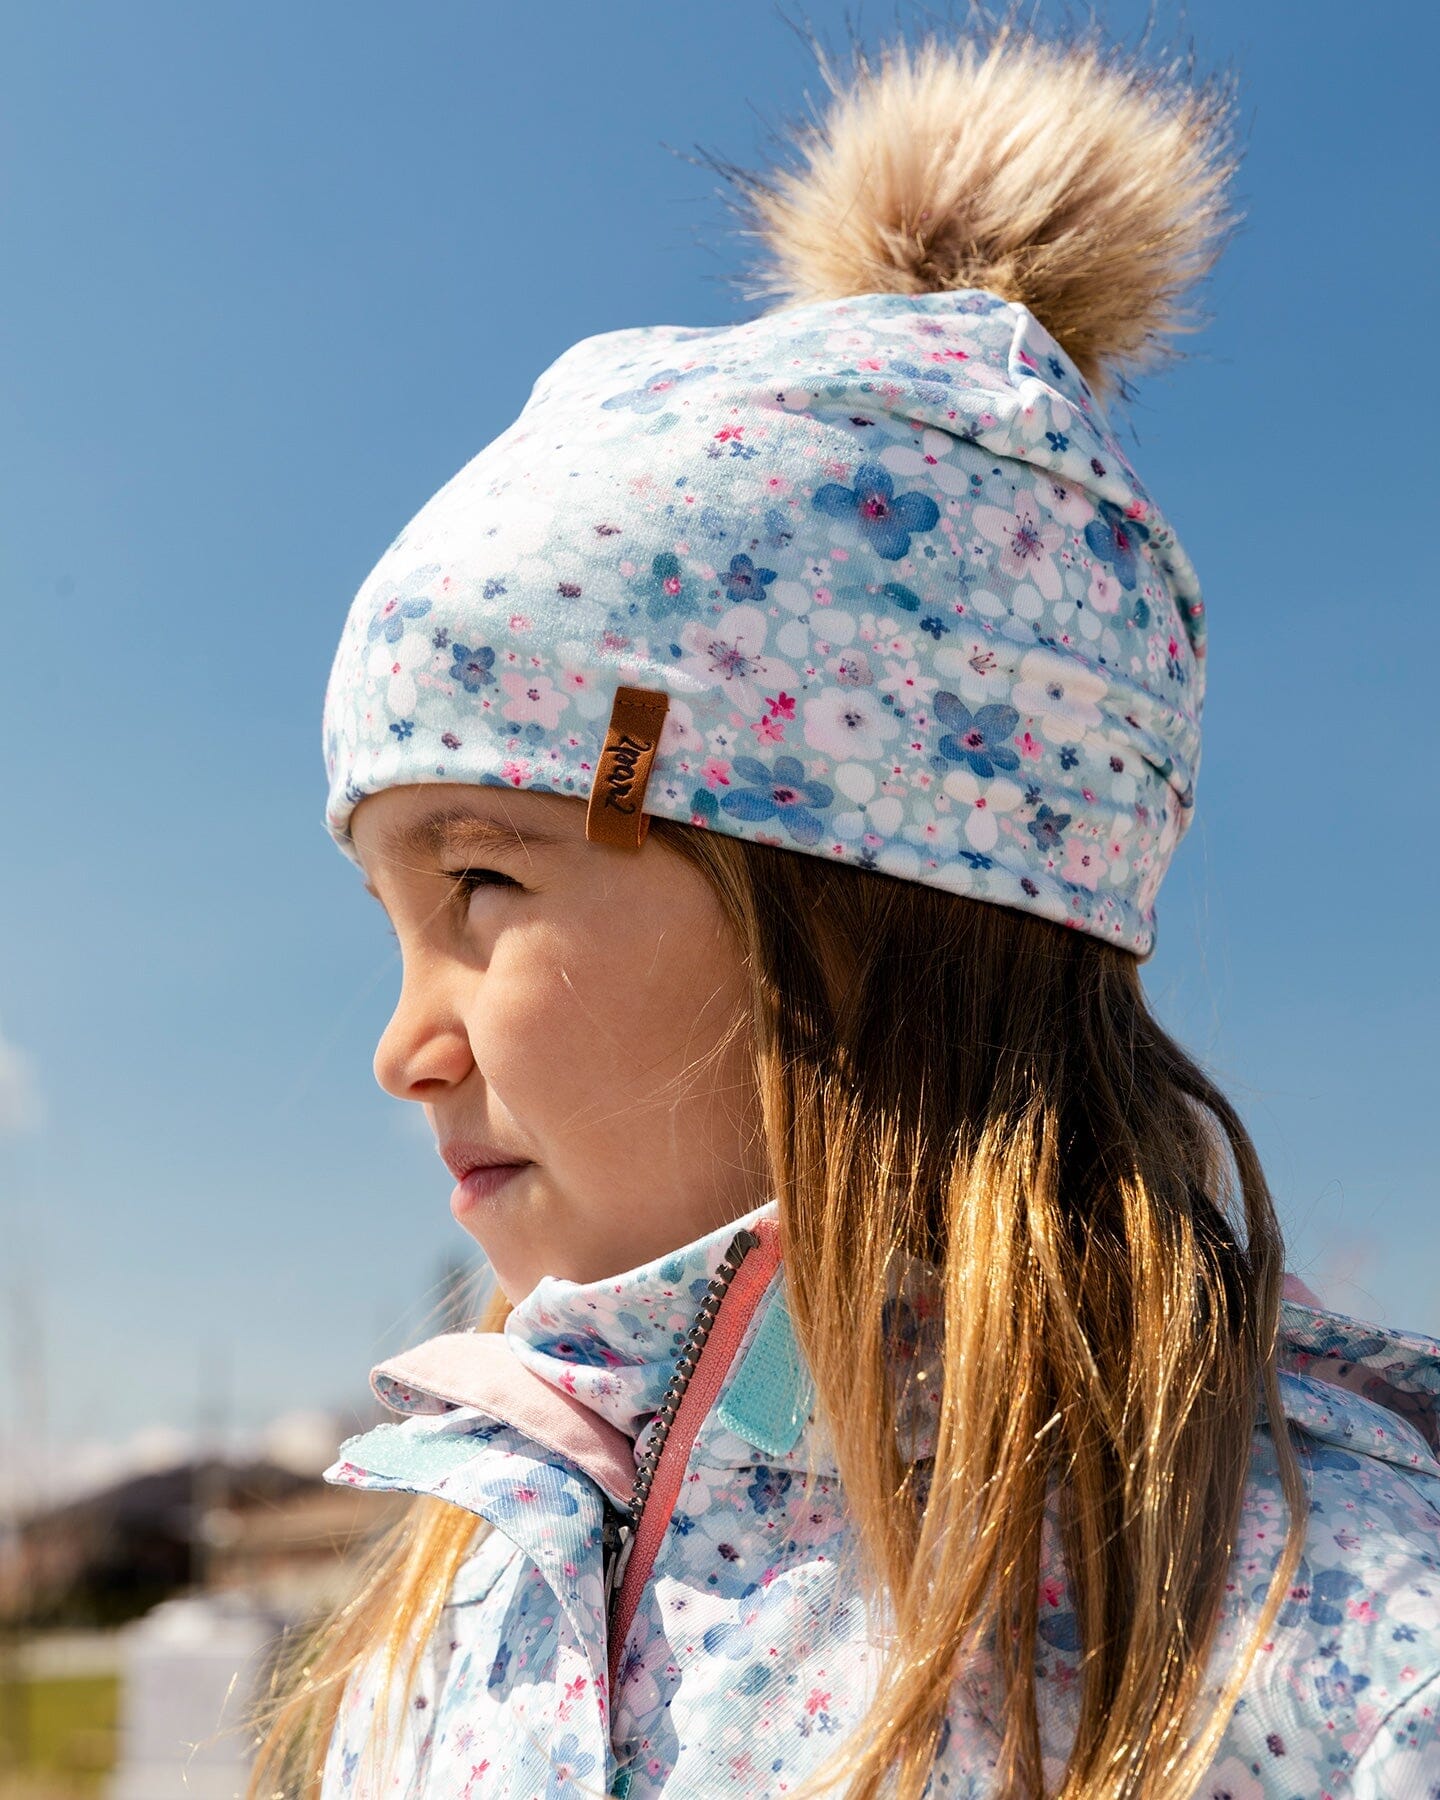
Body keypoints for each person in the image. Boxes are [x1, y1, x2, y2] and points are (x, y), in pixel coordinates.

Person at [245, 20, 1440, 1800]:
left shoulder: (1328, 1641)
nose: (403, 1045)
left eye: (482, 880)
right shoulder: (464, 1601)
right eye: (392, 912)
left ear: (865, 908)